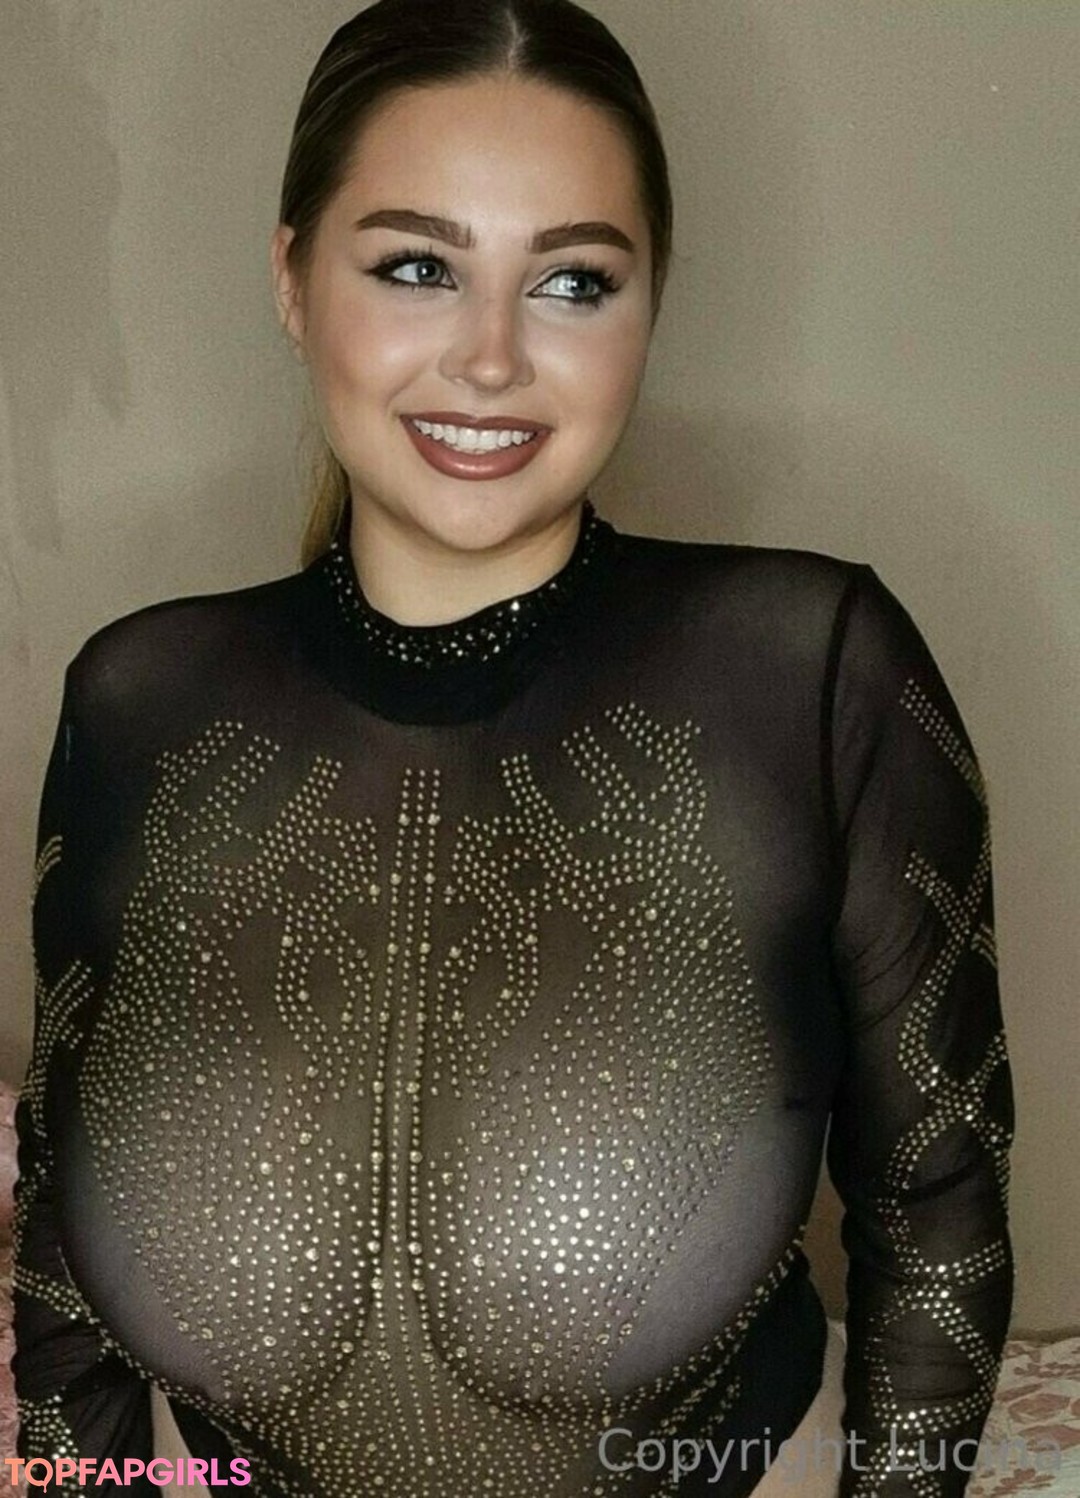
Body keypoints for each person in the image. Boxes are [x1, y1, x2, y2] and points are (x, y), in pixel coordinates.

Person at [12, 1, 1014, 1494]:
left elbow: (934, 1207)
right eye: (418, 267)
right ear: (291, 278)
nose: (490, 359)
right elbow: (65, 1249)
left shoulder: (811, 669)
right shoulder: (135, 700)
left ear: (649, 306)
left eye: (572, 281)